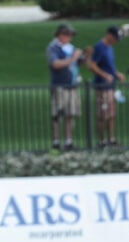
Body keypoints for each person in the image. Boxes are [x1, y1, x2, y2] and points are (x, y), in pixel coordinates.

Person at [47, 23, 86, 152]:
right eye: (67, 34)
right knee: (57, 115)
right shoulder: (53, 48)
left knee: (70, 114)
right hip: (59, 86)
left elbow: (80, 62)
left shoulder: (71, 48)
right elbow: (55, 64)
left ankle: (69, 141)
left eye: (70, 35)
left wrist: (86, 56)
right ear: (60, 35)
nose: (69, 37)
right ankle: (56, 141)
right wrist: (73, 58)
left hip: (72, 86)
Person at [87, 26, 125, 148]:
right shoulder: (100, 47)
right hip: (102, 86)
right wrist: (105, 75)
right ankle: (102, 141)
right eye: (115, 38)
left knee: (111, 114)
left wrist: (116, 74)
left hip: (110, 86)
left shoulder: (109, 48)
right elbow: (92, 65)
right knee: (102, 115)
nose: (116, 41)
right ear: (109, 35)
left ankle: (111, 139)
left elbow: (109, 66)